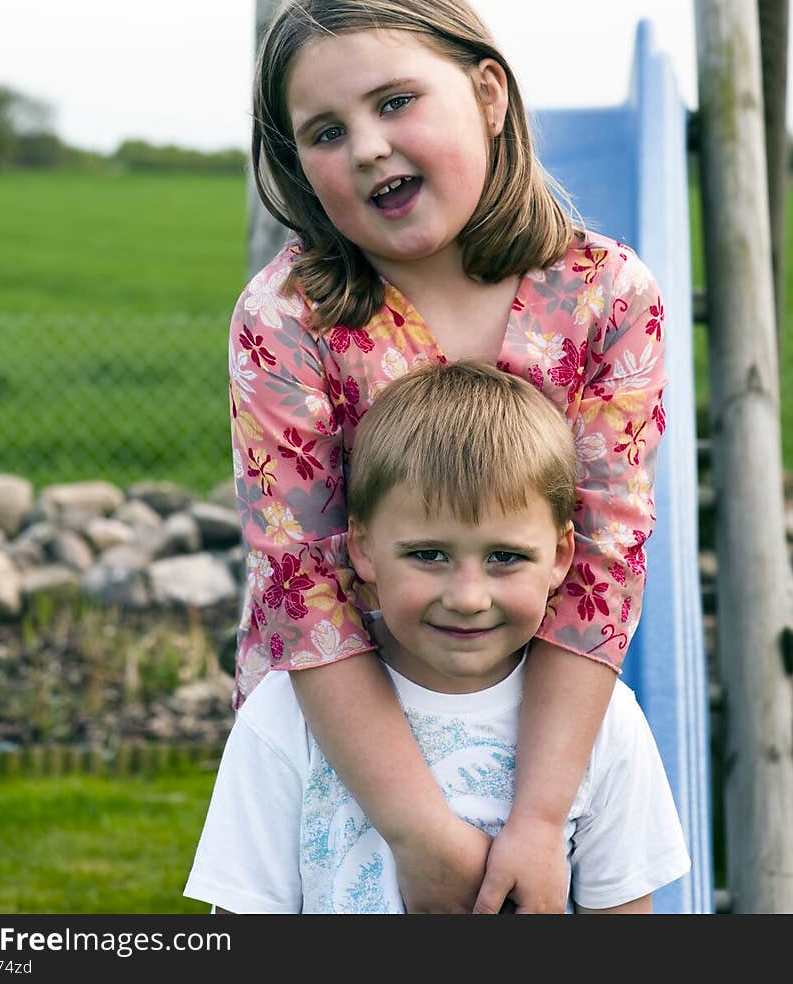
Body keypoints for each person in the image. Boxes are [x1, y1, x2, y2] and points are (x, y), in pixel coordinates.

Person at [228, 0, 667, 913]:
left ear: (487, 92)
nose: (370, 147)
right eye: (327, 132)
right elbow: (302, 579)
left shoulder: (605, 297)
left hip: (540, 733)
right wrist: (415, 830)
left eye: (396, 101)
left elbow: (602, 561)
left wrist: (544, 817)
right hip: (342, 749)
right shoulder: (291, 316)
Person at [186, 362, 690, 914]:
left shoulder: (601, 721)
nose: (467, 597)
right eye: (429, 555)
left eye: (506, 557)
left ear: (561, 556)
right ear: (364, 549)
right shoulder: (285, 715)